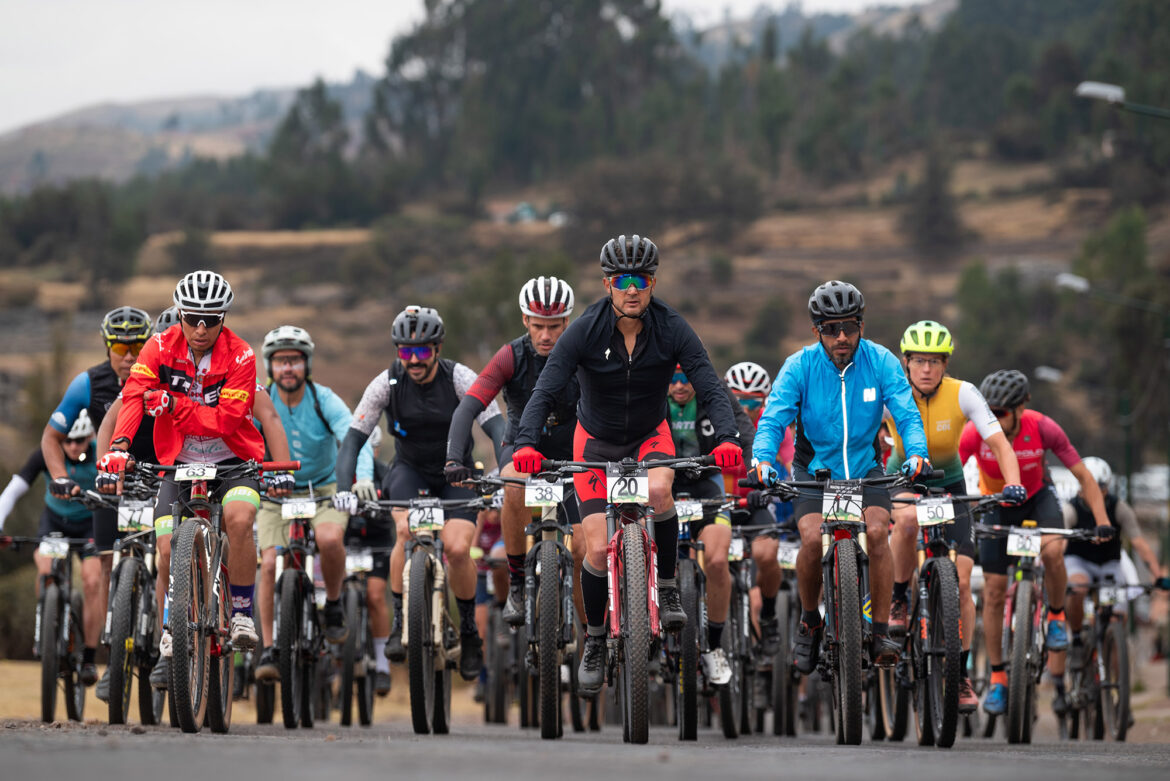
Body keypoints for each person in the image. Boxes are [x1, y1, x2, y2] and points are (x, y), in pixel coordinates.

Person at [511, 234, 744, 696]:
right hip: (593, 443)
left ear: (653, 283)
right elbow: (546, 388)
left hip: (648, 437)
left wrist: (730, 438)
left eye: (640, 280)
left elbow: (710, 385)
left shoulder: (673, 327)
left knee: (659, 492)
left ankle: (669, 584)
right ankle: (595, 640)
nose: (631, 289)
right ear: (607, 284)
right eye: (622, 281)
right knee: (595, 551)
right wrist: (525, 443)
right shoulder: (584, 329)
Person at [96, 271, 293, 689]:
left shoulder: (240, 355)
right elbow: (133, 396)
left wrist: (176, 405)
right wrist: (120, 445)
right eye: (193, 319)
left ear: (223, 319)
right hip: (178, 461)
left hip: (232, 459)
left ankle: (240, 611)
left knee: (239, 520)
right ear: (180, 315)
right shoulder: (159, 346)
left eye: (211, 320)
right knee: (166, 547)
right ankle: (173, 629)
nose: (201, 328)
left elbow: (227, 419)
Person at [751, 280, 932, 674]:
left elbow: (906, 412)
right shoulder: (799, 366)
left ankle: (880, 628)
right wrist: (763, 460)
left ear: (861, 326)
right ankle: (811, 619)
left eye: (849, 326)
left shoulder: (881, 361)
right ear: (818, 331)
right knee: (813, 539)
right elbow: (773, 419)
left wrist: (917, 452)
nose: (842, 336)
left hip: (866, 469)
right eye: (831, 329)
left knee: (880, 532)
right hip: (814, 471)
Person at [333, 305, 505, 682]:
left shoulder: (460, 377)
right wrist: (344, 489)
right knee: (406, 532)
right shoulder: (385, 383)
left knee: (459, 549)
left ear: (438, 349)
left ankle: (470, 636)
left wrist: (504, 473)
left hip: (455, 472)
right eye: (405, 351)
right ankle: (400, 620)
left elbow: (496, 426)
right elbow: (352, 441)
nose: (413, 359)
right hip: (409, 471)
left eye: (422, 351)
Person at [884, 320, 1025, 713]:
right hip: (903, 480)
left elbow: (998, 442)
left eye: (935, 361)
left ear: (945, 364)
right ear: (906, 362)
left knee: (963, 583)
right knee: (908, 521)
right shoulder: (890, 391)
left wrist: (1012, 482)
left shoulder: (964, 394)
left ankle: (959, 673)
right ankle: (898, 598)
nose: (926, 369)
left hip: (950, 486)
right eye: (919, 361)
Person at [959, 369, 1112, 718]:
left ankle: (1056, 615)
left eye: (1001, 412)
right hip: (997, 502)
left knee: (1055, 550)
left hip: (1038, 498)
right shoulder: (973, 433)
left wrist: (1102, 520)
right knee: (995, 592)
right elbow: (954, 471)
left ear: (1021, 408)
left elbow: (1083, 477)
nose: (992, 418)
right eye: (988, 410)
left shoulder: (1044, 428)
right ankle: (998, 676)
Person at [445, 276, 583, 630]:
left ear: (567, 322)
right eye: (538, 326)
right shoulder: (510, 355)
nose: (546, 336)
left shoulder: (584, 355)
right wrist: (454, 458)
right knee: (514, 487)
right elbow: (468, 407)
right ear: (525, 321)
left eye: (554, 326)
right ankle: (518, 581)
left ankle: (592, 629)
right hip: (522, 446)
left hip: (576, 450)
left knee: (584, 549)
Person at [39, 306, 154, 690]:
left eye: (137, 345)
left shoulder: (160, 375)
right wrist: (58, 478)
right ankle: (108, 655)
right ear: (108, 346)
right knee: (102, 572)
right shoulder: (87, 384)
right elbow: (50, 438)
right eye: (120, 346)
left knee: (165, 556)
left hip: (155, 480)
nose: (129, 355)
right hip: (111, 485)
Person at [253, 326, 375, 681]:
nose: (287, 368)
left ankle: (333, 605)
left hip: (322, 489)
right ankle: (271, 648)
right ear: (269, 367)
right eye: (280, 362)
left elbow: (354, 437)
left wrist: (361, 477)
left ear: (307, 364)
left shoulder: (324, 399)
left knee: (330, 540)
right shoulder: (259, 399)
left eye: (294, 361)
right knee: (271, 560)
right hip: (274, 491)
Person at [666, 363, 754, 684]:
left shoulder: (715, 390)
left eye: (685, 378)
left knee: (718, 560)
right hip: (664, 486)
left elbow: (743, 429)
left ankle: (715, 646)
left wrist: (756, 462)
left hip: (707, 483)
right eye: (672, 379)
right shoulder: (651, 393)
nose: (679, 386)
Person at [0, 412, 101, 683]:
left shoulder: (98, 452)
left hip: (88, 523)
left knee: (92, 581)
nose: (73, 447)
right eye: (67, 441)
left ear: (89, 437)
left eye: (79, 441)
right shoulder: (46, 452)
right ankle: (46, 623)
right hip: (54, 521)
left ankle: (90, 658)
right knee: (45, 568)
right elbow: (14, 489)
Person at [1063, 458, 1163, 681]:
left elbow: (1139, 543)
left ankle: (1117, 690)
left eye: (1101, 487)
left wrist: (1158, 575)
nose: (1096, 492)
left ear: (1107, 486)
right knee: (1077, 589)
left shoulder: (1119, 508)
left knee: (1118, 618)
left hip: (1109, 564)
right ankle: (1077, 639)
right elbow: (1060, 541)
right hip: (1079, 562)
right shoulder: (1071, 509)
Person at [724, 361, 793, 656]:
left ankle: (768, 614)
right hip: (721, 502)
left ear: (764, 401)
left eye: (753, 401)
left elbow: (789, 470)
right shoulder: (713, 419)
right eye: (738, 399)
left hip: (756, 502)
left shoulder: (774, 425)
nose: (745, 407)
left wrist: (785, 490)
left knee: (767, 554)